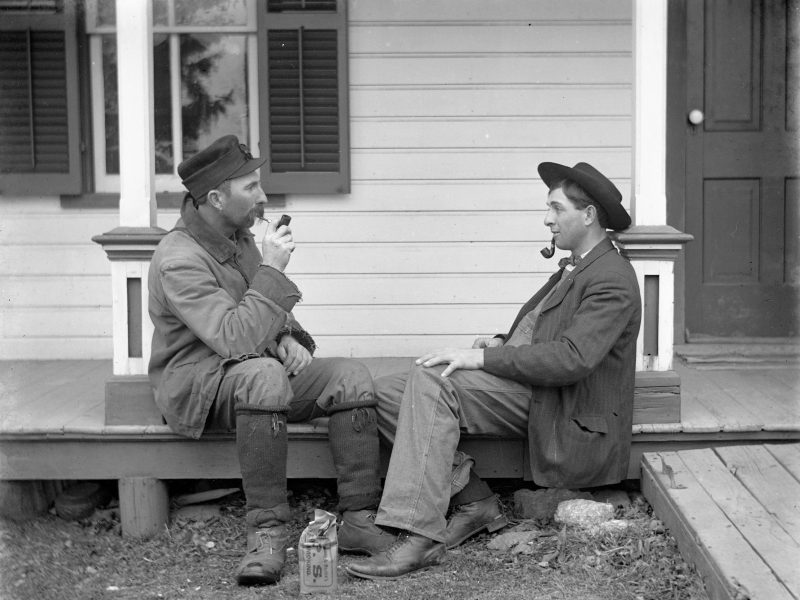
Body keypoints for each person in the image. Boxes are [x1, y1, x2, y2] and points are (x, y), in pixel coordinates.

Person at [346, 161, 642, 580]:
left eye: (556, 209)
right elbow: (547, 330)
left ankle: (417, 534)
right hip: (538, 392)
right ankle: (474, 501)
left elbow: (571, 358)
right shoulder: (578, 265)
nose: (547, 218)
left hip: (566, 409)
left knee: (433, 380)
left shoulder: (611, 278)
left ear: (589, 214)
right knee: (390, 391)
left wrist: (482, 359)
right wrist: (503, 343)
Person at [147, 135, 393, 586]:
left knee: (351, 376)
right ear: (216, 198)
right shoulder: (178, 258)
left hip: (256, 372)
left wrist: (287, 335)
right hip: (200, 384)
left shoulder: (238, 237)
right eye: (251, 188)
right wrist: (275, 269)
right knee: (263, 375)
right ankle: (267, 532)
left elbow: (258, 309)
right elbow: (234, 336)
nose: (262, 198)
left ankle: (358, 517)